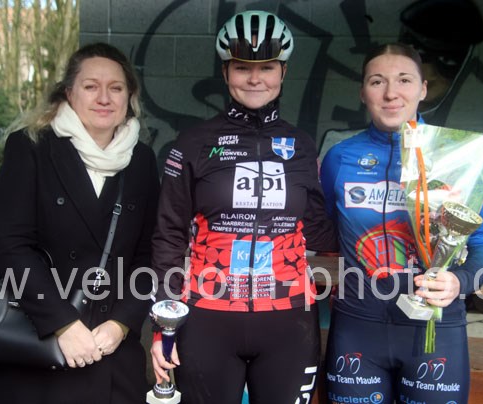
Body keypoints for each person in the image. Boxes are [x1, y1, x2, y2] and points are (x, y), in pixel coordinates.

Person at [149, 10, 338, 404]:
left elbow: (321, 231)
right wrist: (162, 325)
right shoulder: (193, 143)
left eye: (266, 67)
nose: (255, 78)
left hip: (289, 319)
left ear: (283, 72)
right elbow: (168, 235)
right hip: (209, 316)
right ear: (225, 72)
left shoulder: (302, 146)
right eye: (242, 67)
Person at [0, 42, 159, 403]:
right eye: (91, 86)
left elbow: (148, 255)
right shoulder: (31, 147)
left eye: (115, 88)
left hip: (108, 350)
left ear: (129, 96)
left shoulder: (142, 161)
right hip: (35, 345)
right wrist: (62, 324)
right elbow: (11, 247)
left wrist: (121, 324)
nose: (104, 98)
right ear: (69, 92)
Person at [320, 43, 483, 404]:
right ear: (362, 92)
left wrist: (460, 281)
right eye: (377, 81)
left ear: (423, 89)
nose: (391, 93)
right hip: (357, 327)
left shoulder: (459, 159)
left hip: (434, 330)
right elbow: (326, 233)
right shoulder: (339, 158)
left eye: (404, 80)